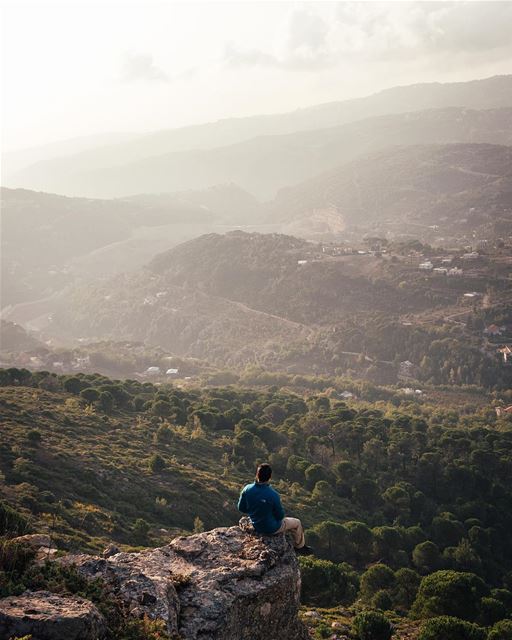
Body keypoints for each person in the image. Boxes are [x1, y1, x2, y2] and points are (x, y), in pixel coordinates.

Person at [237, 463, 313, 555]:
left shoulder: (247, 489)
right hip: (271, 528)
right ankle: (300, 547)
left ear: (257, 475)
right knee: (297, 523)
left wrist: (255, 511)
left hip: (256, 524)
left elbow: (241, 508)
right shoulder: (273, 495)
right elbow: (280, 516)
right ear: (270, 477)